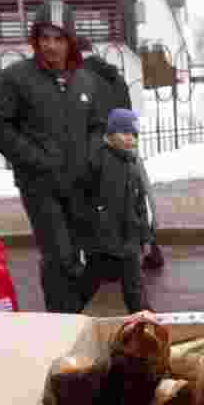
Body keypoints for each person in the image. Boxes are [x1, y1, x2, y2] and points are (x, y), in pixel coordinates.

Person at [0, 0, 108, 313]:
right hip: (41, 186)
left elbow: (98, 125)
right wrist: (34, 159)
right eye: (45, 38)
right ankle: (60, 322)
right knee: (59, 256)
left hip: (80, 184)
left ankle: (75, 313)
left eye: (59, 38)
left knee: (86, 254)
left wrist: (91, 156)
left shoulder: (85, 80)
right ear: (36, 40)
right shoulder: (17, 78)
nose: (51, 46)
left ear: (70, 41)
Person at [77, 36, 165, 271]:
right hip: (127, 143)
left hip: (102, 147)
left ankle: (110, 261)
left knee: (108, 201)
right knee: (138, 195)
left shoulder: (80, 78)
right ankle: (151, 248)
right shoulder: (114, 76)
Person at [73, 109, 152, 313]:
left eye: (135, 135)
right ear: (110, 133)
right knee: (88, 285)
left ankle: (144, 324)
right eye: (125, 134)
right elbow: (81, 199)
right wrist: (87, 234)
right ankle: (68, 317)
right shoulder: (97, 160)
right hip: (102, 242)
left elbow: (140, 202)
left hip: (129, 241)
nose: (131, 140)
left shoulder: (132, 162)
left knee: (135, 291)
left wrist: (145, 234)